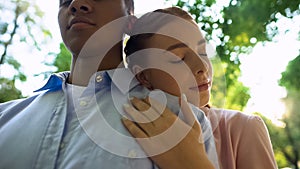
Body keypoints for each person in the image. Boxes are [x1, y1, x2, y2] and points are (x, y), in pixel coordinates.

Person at [0, 1, 218, 169]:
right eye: (66, 1)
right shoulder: (4, 116)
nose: (76, 3)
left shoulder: (182, 119)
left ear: (129, 19)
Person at [123, 6, 278, 169]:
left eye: (203, 52)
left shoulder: (244, 128)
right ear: (144, 76)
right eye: (179, 58)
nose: (202, 66)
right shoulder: (128, 134)